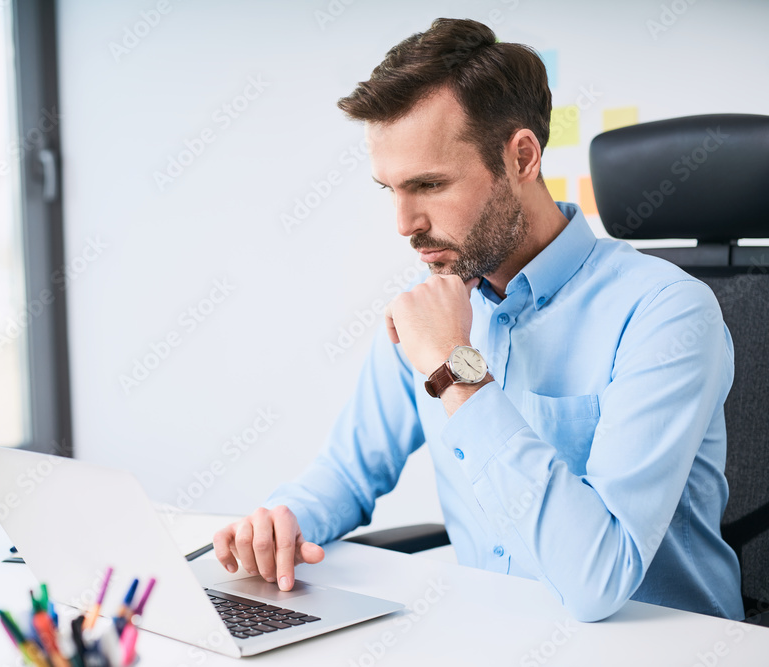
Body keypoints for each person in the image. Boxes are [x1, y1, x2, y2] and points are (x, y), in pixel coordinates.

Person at [212, 17, 744, 622]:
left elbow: (600, 578)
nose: (404, 223)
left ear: (521, 157)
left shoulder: (666, 313)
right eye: (389, 189)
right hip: (492, 638)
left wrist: (455, 368)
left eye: (429, 184)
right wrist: (281, 522)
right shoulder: (431, 307)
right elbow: (346, 473)